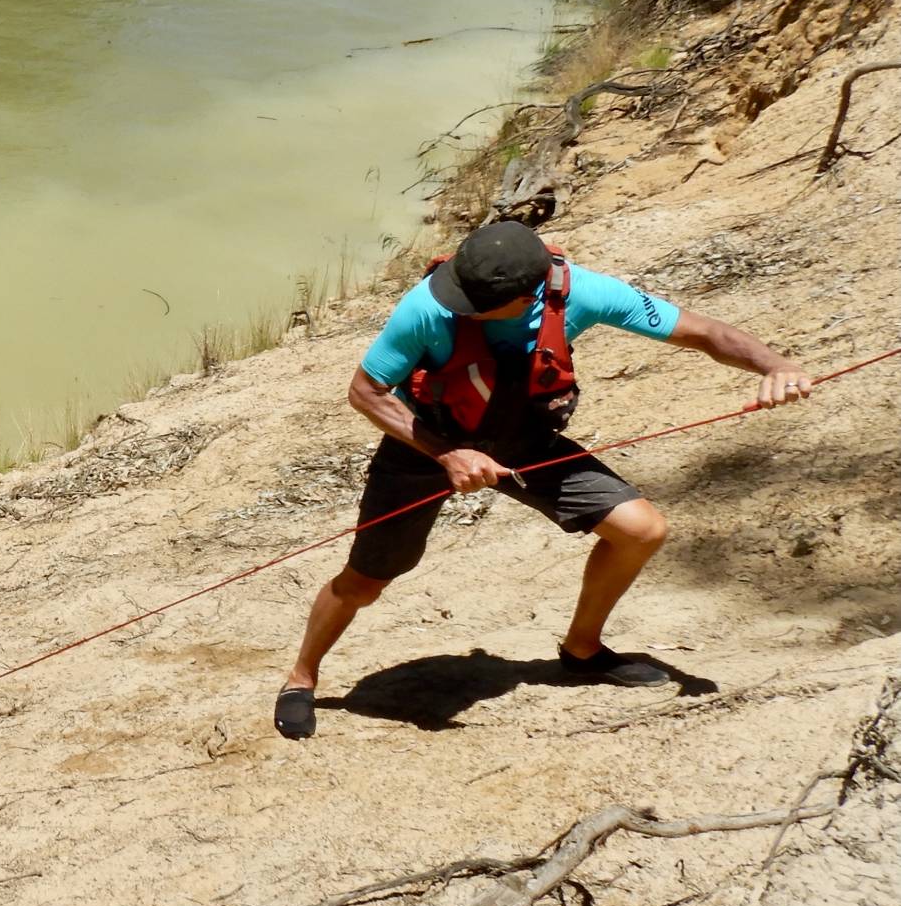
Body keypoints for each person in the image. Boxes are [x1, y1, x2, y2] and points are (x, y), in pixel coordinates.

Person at [273, 221, 811, 741]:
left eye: (477, 302)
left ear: (530, 293)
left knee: (641, 530)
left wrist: (774, 365)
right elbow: (366, 392)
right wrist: (449, 454)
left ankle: (582, 650)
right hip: (425, 445)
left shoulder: (584, 293)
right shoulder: (428, 305)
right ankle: (301, 677)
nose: (461, 306)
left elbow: (703, 332)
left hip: (525, 444)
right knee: (366, 581)